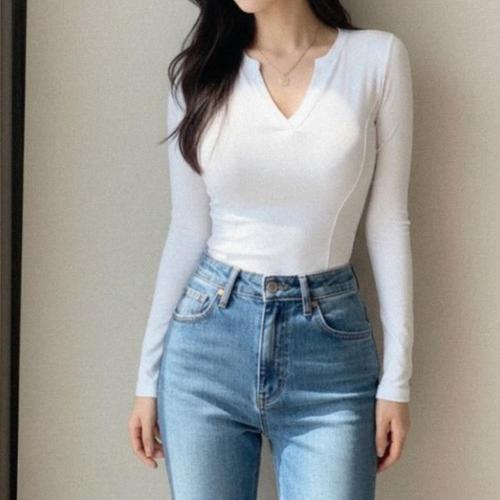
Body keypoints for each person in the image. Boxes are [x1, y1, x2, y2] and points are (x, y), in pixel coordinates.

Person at [128, 1, 414, 498]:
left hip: (329, 355)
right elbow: (187, 230)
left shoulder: (377, 59)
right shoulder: (198, 73)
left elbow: (388, 222)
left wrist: (397, 379)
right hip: (205, 348)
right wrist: (147, 378)